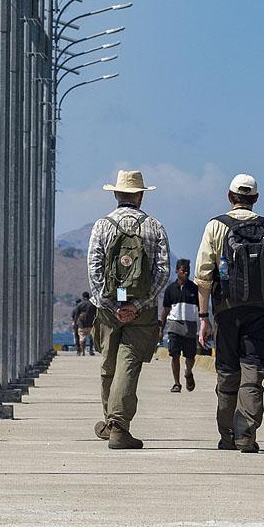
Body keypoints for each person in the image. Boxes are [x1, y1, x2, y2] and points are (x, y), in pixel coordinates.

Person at [196, 174, 264, 453]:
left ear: (229, 197)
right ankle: (246, 435)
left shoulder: (216, 227)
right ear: (256, 199)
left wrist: (204, 319)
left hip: (226, 311)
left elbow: (202, 277)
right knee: (253, 373)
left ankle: (227, 435)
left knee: (227, 372)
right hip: (261, 311)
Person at [87, 170, 170, 450]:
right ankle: (118, 425)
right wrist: (137, 305)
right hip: (142, 311)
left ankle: (113, 424)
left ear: (115, 194)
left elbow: (94, 270)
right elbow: (162, 271)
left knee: (109, 364)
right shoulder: (154, 226)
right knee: (129, 364)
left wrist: (112, 305)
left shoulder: (102, 225)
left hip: (109, 309)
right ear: (140, 195)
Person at [161, 259, 199, 393]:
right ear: (177, 271)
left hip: (190, 327)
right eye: (183, 270)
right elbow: (165, 310)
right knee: (174, 355)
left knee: (190, 357)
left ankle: (188, 373)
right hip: (174, 327)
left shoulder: (194, 289)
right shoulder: (170, 290)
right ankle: (176, 383)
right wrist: (161, 329)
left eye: (188, 270)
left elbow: (201, 310)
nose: (186, 273)